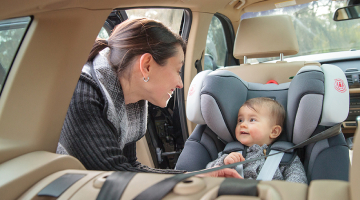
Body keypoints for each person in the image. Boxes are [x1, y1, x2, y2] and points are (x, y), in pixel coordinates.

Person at [56, 18, 241, 178]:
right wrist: (192, 179)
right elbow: (114, 174)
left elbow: (130, 167)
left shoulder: (132, 102)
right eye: (178, 71)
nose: (180, 84)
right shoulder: (83, 94)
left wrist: (196, 176)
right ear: (146, 65)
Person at [206, 97, 307, 183]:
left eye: (252, 120)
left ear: (274, 131)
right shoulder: (230, 153)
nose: (243, 124)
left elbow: (297, 179)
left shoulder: (285, 156)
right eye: (240, 120)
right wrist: (224, 161)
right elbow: (208, 172)